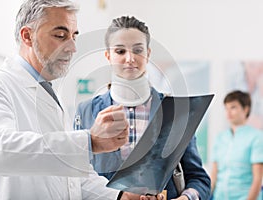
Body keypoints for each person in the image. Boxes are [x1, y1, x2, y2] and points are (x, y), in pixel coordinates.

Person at [0, 1, 164, 200]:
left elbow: (73, 178)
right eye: (60, 36)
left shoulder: (51, 96)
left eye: (73, 36)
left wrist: (121, 196)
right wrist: (89, 142)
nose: (72, 47)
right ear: (27, 36)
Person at [75, 16, 211, 200]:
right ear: (108, 56)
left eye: (137, 50)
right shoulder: (86, 111)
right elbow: (77, 177)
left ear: (148, 53)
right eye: (120, 51)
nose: (130, 58)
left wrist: (186, 198)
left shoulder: (175, 111)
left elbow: (199, 179)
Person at [210, 90, 263, 200]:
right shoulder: (220, 138)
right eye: (226, 108)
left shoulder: (257, 137)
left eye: (233, 107)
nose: (228, 112)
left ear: (246, 109)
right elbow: (214, 175)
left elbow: (258, 179)